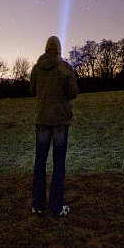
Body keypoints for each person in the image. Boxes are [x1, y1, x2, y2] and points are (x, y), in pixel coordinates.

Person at [30, 35, 79, 217]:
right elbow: (73, 93)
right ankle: (57, 207)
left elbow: (32, 90)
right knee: (59, 164)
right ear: (58, 48)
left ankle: (38, 204)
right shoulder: (65, 67)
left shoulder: (36, 68)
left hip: (42, 119)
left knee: (40, 162)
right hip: (60, 120)